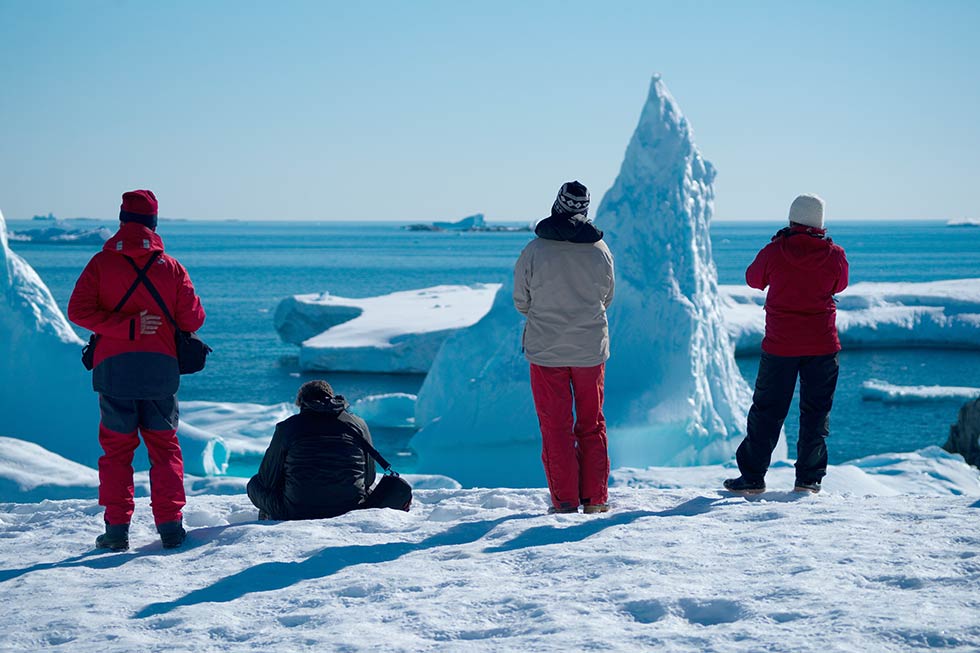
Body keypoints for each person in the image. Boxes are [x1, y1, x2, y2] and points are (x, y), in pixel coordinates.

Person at [68, 189, 206, 550]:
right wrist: (146, 323)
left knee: (116, 452)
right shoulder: (171, 267)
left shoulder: (101, 264)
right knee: (164, 449)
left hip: (114, 372)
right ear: (154, 223)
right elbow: (194, 318)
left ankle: (116, 532)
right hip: (160, 373)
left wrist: (122, 327)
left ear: (122, 221)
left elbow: (78, 312)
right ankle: (171, 527)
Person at [724, 194, 849, 495]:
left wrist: (779, 249)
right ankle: (809, 478)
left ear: (792, 220)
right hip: (822, 345)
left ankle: (752, 477)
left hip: (780, 346)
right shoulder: (834, 254)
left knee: (767, 410)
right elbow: (840, 284)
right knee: (816, 412)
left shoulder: (776, 250)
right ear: (820, 224)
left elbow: (753, 279)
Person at [513, 181, 615, 514]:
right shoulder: (600, 251)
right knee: (592, 423)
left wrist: (546, 317)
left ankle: (565, 501)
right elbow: (607, 297)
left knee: (556, 428)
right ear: (585, 209)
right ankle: (596, 499)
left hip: (546, 351)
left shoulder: (535, 250)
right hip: (590, 351)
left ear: (557, 205)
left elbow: (521, 300)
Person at [247, 380, 377, 521]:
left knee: (255, 484)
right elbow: (369, 477)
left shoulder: (288, 427)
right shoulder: (358, 424)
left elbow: (266, 479)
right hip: (350, 508)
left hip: (297, 512)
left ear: (301, 402)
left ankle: (268, 521)